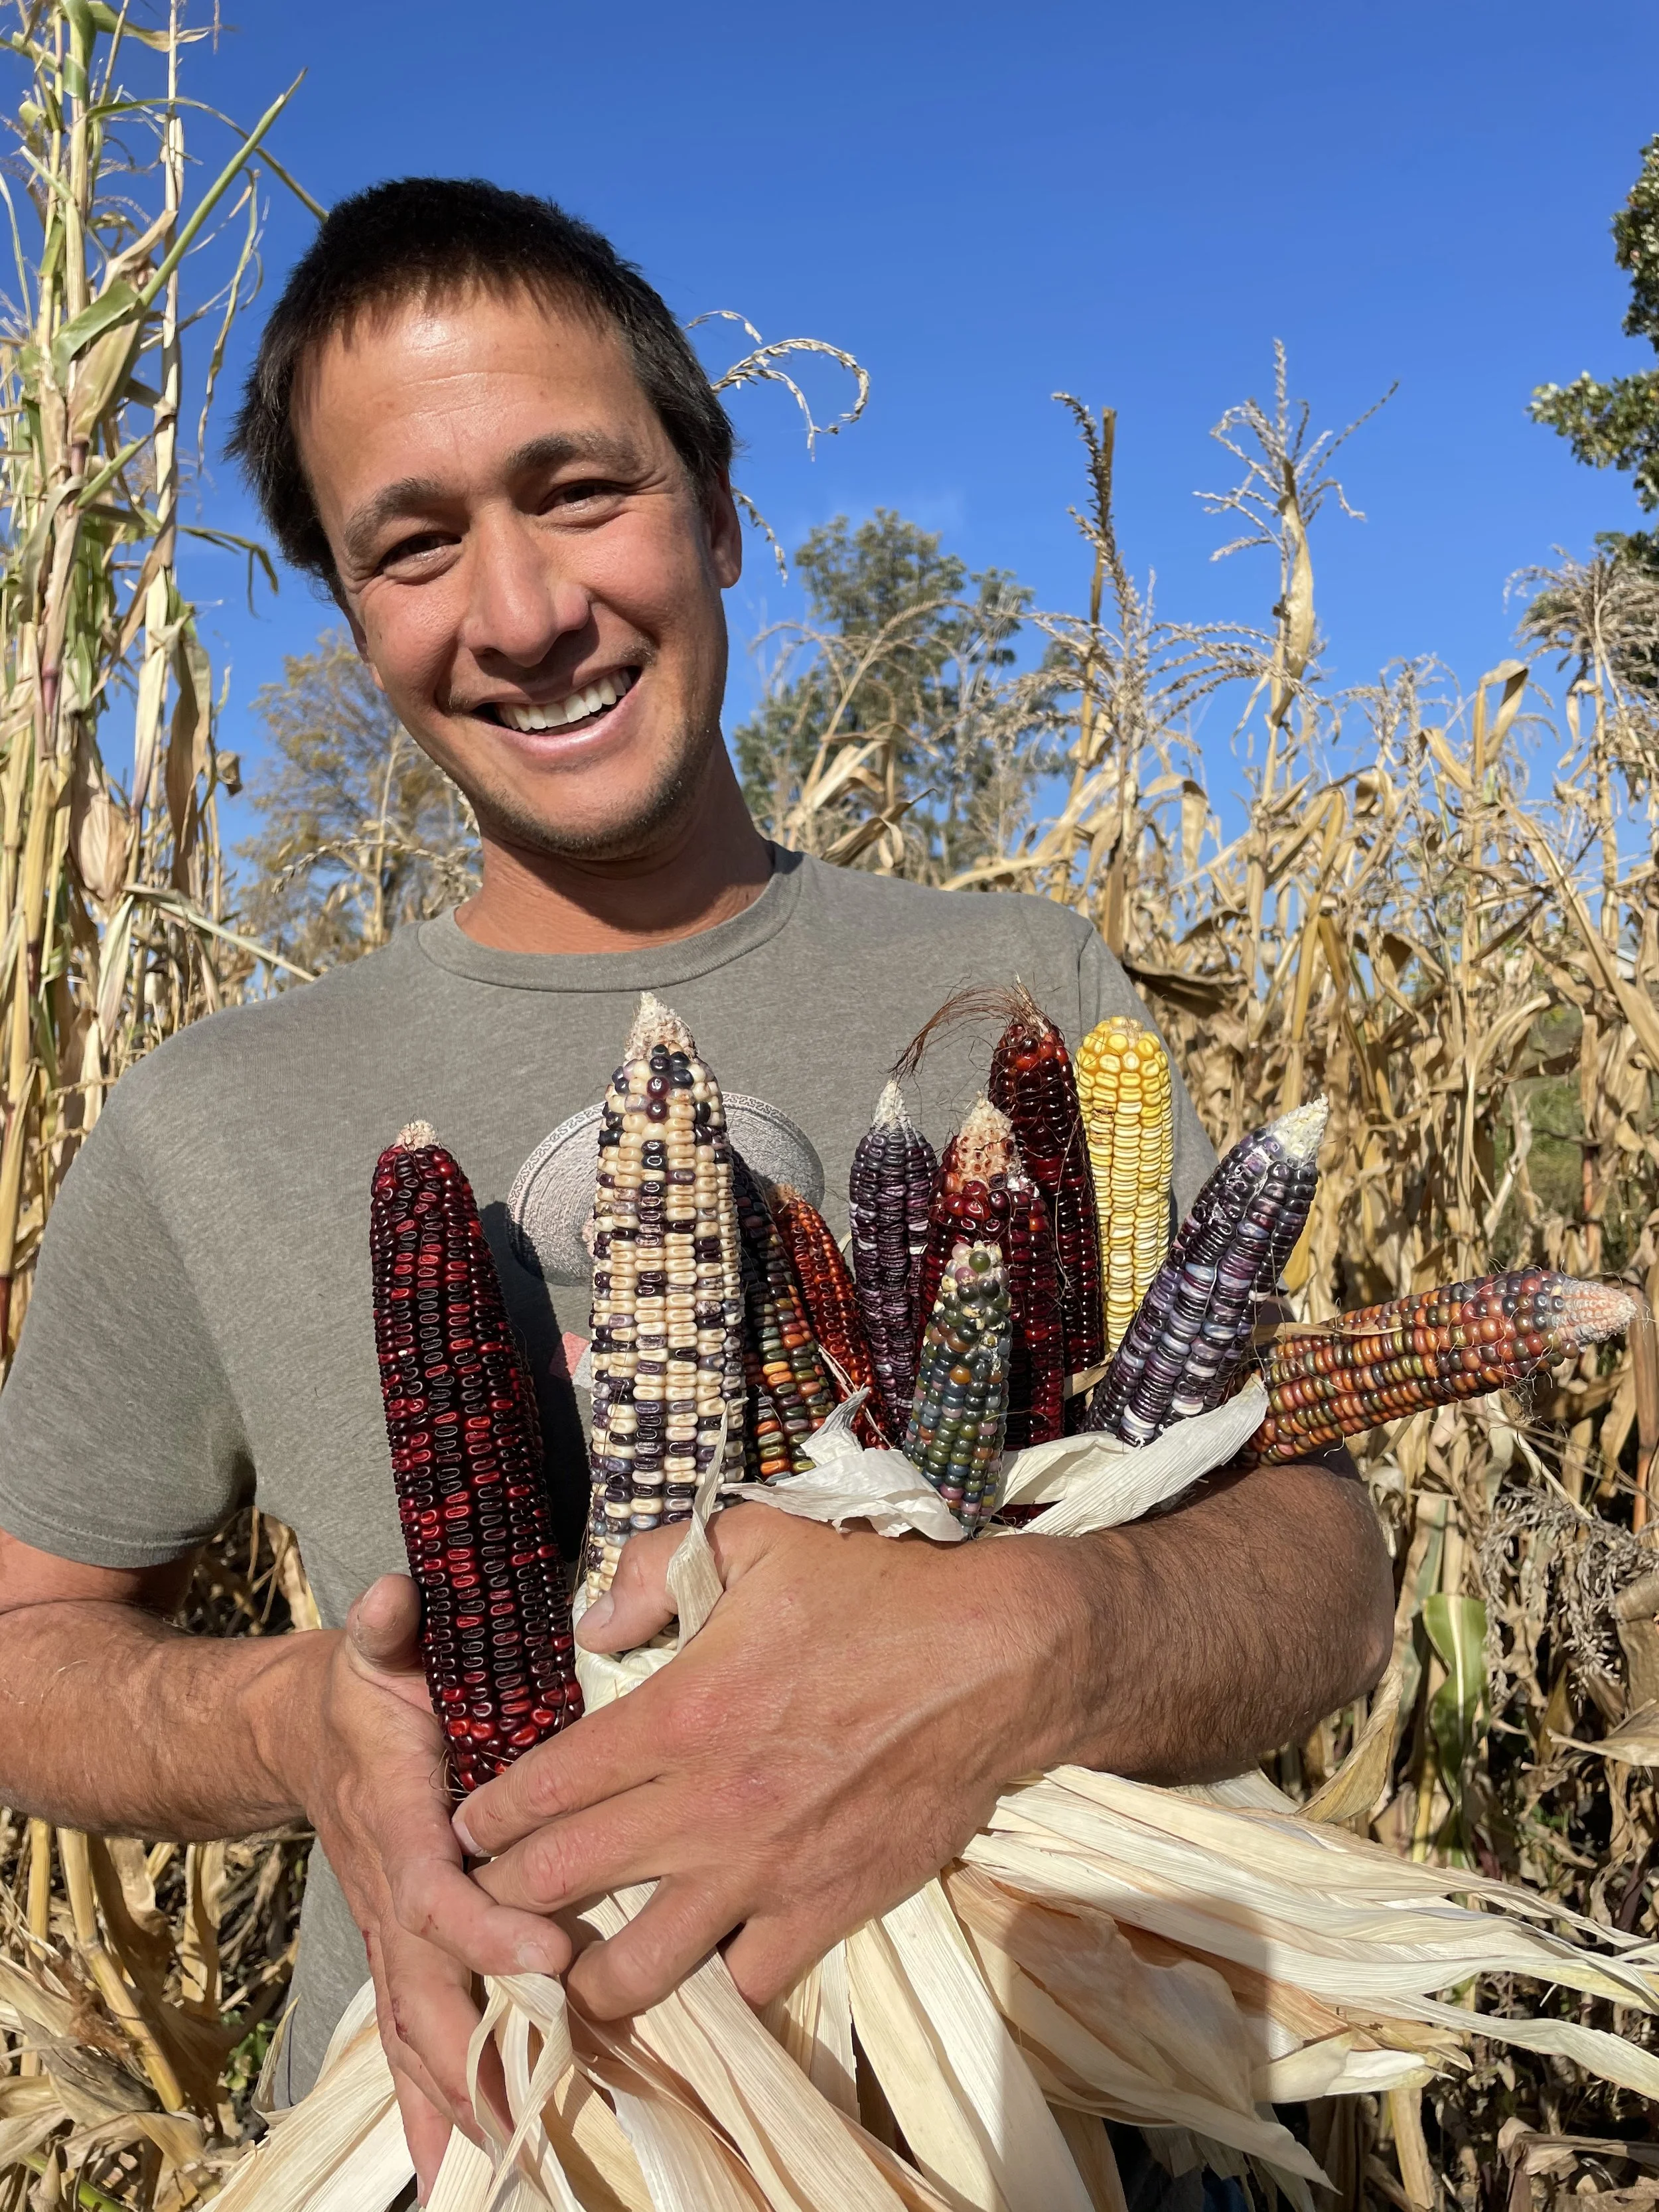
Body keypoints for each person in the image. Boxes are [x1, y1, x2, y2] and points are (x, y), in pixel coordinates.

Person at [0, 179, 1393, 2202]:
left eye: (577, 491)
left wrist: (1050, 1632)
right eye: (413, 543)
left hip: (1029, 2127)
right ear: (354, 611)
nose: (520, 610)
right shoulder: (211, 1116)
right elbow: (29, 1643)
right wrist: (302, 1718)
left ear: (718, 510)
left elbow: (1314, 1563)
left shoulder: (1030, 995)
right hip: (482, 2134)